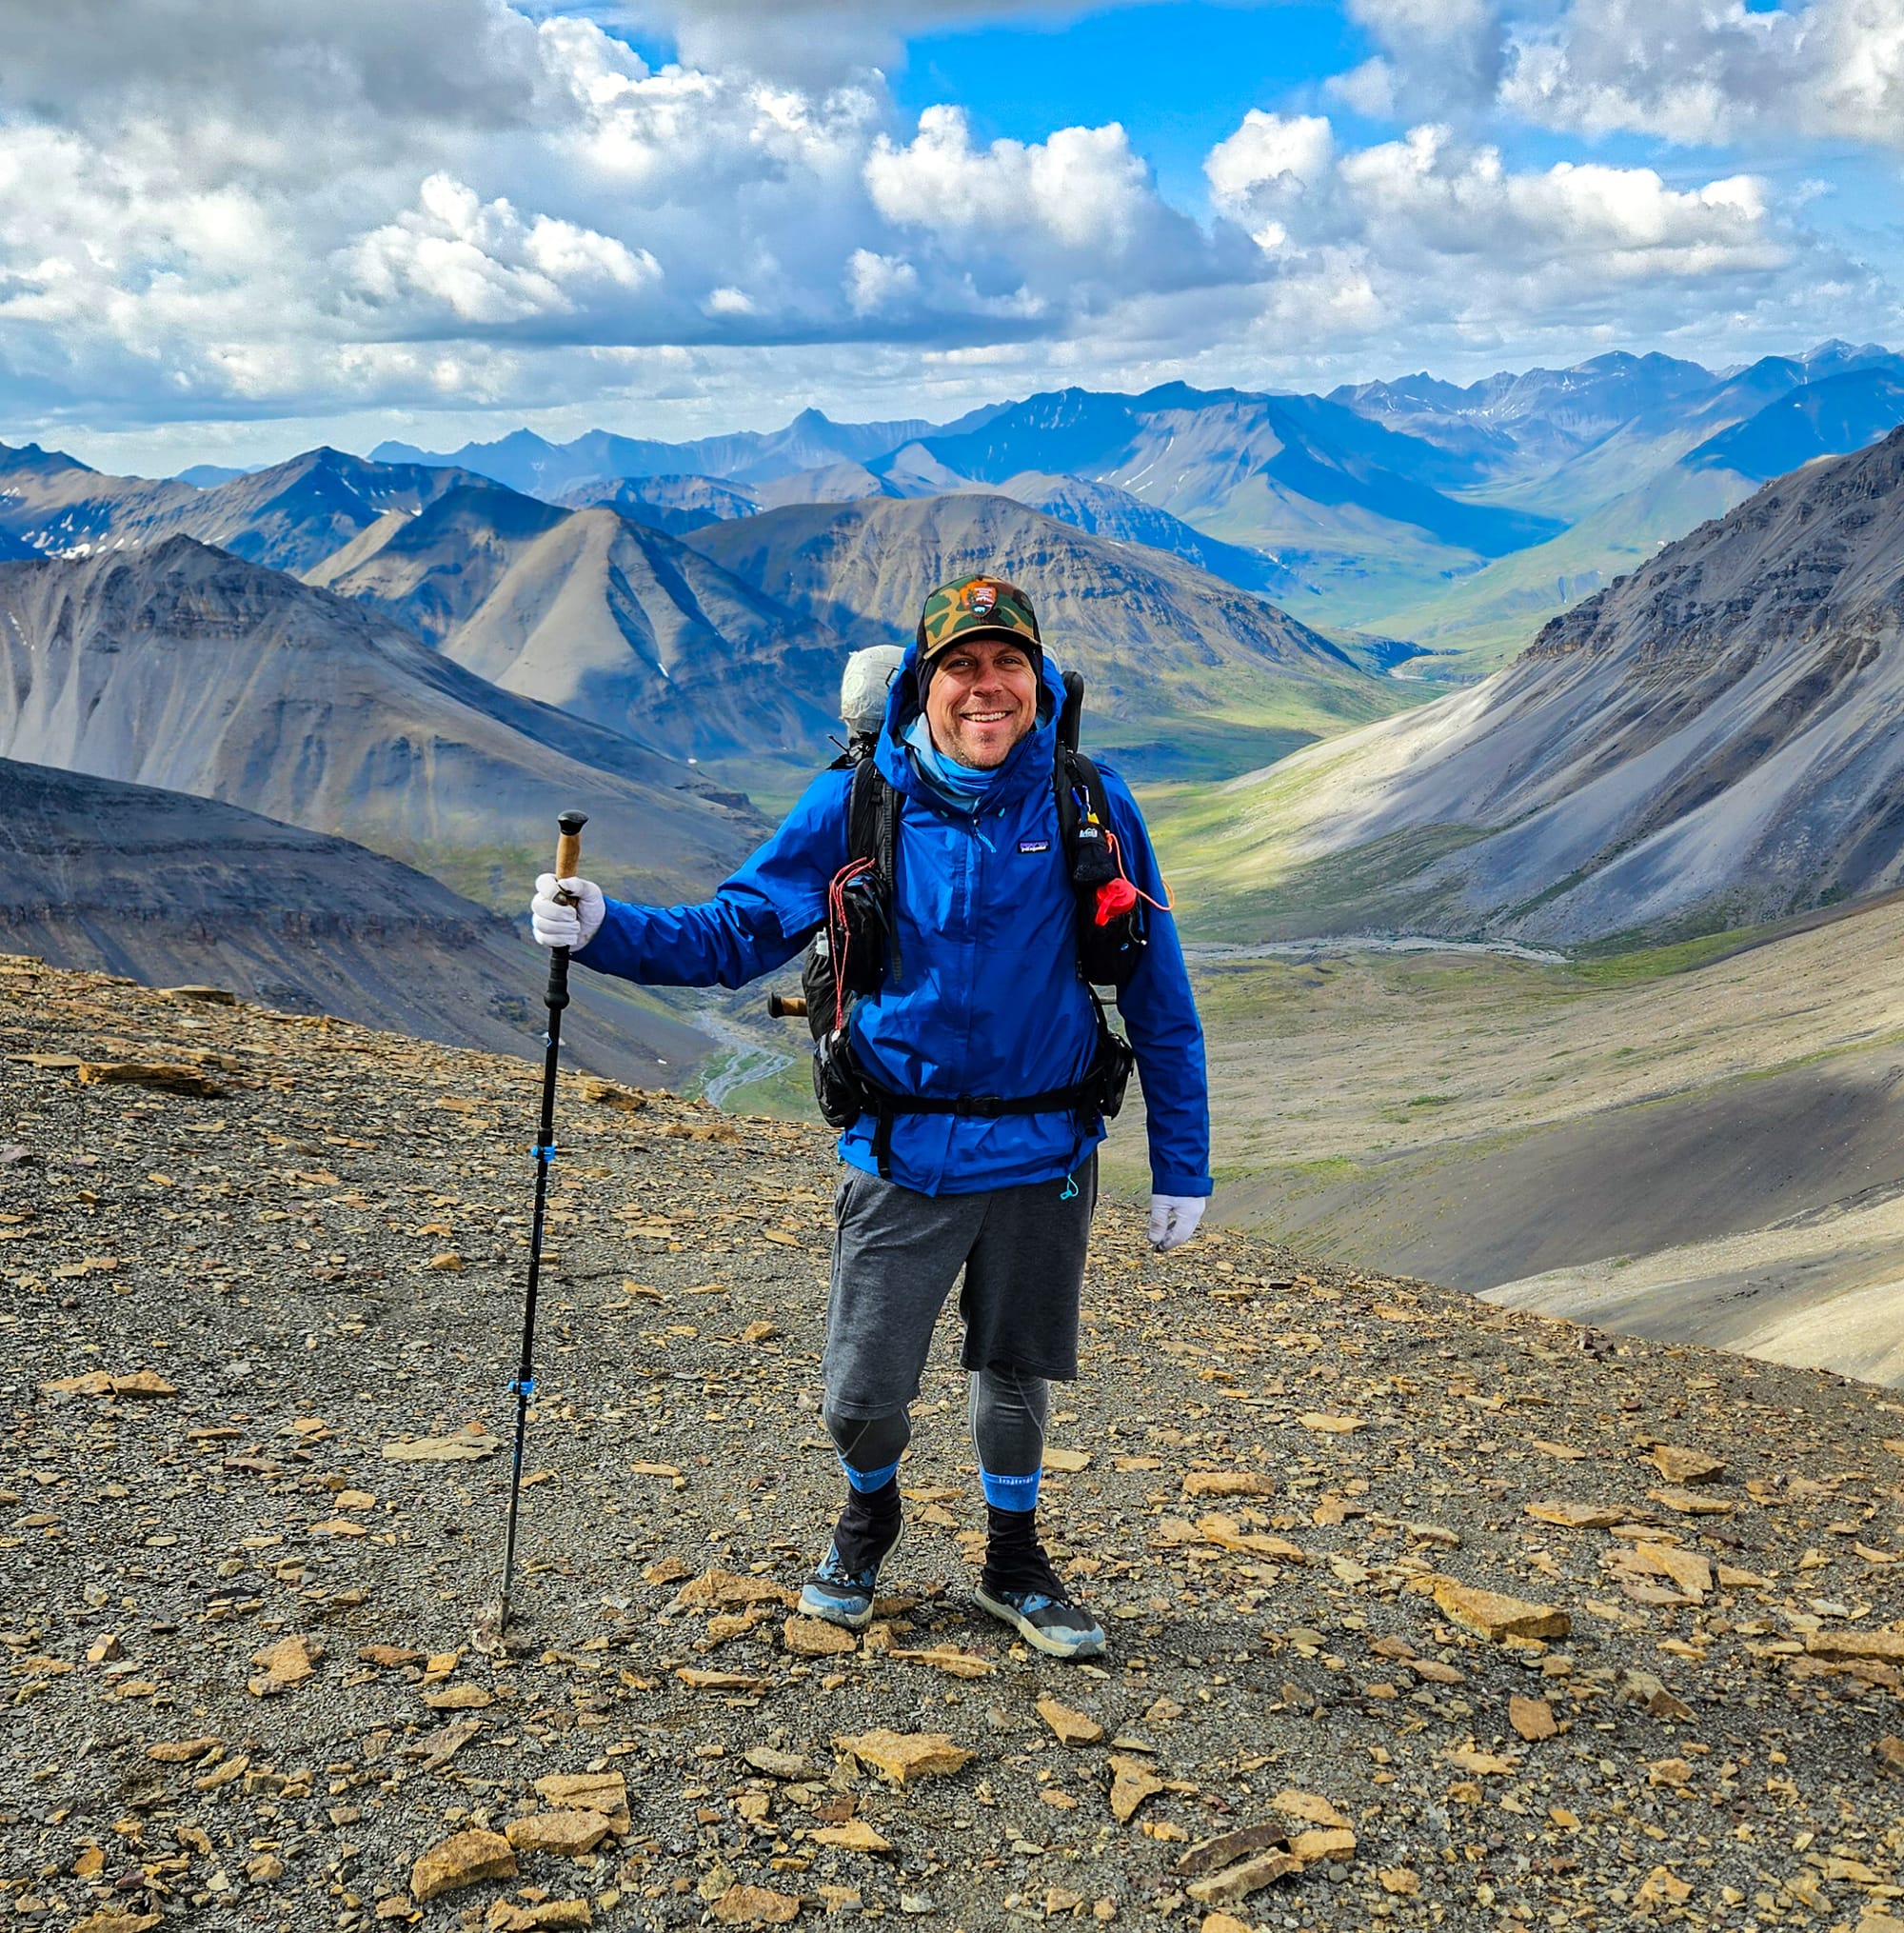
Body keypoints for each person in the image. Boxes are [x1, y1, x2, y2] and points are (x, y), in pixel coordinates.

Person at [530, 574, 1209, 1660]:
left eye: (1007, 665)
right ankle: (869, 1508)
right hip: (900, 1150)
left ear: (1037, 680)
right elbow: (734, 931)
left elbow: (1157, 995)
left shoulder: (1090, 804)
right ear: (919, 686)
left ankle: (1013, 1559)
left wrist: (1183, 1163)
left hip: (1045, 1152)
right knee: (860, 1390)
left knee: (1017, 1367)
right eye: (960, 667)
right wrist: (603, 926)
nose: (986, 688)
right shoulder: (856, 802)